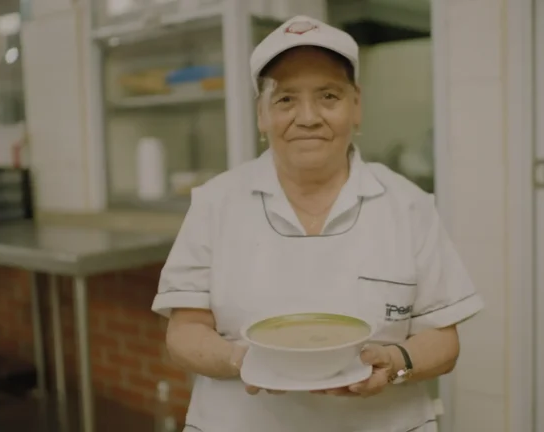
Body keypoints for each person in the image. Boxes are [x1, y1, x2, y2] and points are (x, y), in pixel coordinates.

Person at [152, 15, 484, 432]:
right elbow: (185, 331)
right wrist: (243, 360)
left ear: (356, 106)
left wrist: (396, 364)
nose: (308, 117)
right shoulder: (215, 204)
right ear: (261, 114)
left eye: (328, 96)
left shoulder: (408, 206)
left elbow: (443, 340)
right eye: (285, 99)